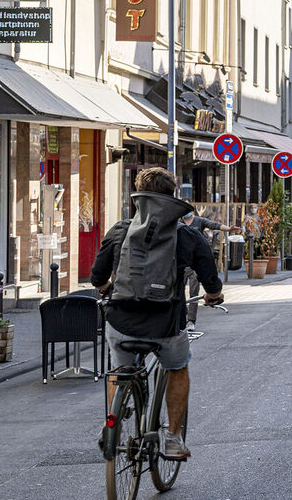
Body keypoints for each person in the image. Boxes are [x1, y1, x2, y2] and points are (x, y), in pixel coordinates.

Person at [90, 167, 223, 461]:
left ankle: (112, 421)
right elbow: (211, 280)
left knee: (120, 370)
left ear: (137, 198)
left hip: (121, 320)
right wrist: (213, 296)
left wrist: (108, 287)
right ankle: (173, 438)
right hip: (165, 324)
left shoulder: (119, 230)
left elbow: (97, 277)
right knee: (177, 367)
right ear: (172, 197)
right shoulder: (187, 236)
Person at [179, 202, 240, 332]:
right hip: (182, 265)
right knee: (179, 292)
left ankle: (191, 321)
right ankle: (181, 319)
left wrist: (228, 229)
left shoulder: (198, 221)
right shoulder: (178, 224)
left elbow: (214, 225)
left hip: (195, 265)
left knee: (193, 292)